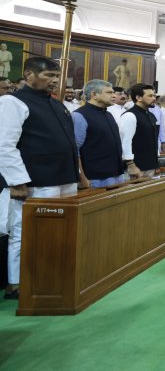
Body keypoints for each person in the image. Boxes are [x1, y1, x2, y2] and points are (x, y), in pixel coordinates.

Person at [0, 56, 81, 300]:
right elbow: (4, 145)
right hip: (34, 180)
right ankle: (16, 282)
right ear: (28, 75)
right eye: (49, 76)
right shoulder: (11, 102)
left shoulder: (56, 104)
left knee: (59, 232)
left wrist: (78, 175)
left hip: (63, 177)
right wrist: (16, 181)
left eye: (57, 77)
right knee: (24, 232)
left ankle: (50, 276)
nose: (55, 81)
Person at [71, 79, 127, 188]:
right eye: (109, 93)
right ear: (94, 94)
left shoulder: (108, 114)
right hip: (95, 177)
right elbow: (74, 150)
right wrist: (82, 178)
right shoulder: (79, 115)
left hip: (116, 173)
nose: (114, 95)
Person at [118, 83, 160, 179]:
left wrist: (156, 163)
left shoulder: (150, 115)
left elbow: (153, 140)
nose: (154, 98)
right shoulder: (130, 115)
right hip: (136, 168)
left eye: (154, 95)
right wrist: (131, 165)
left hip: (151, 166)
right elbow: (125, 142)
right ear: (138, 97)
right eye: (150, 96)